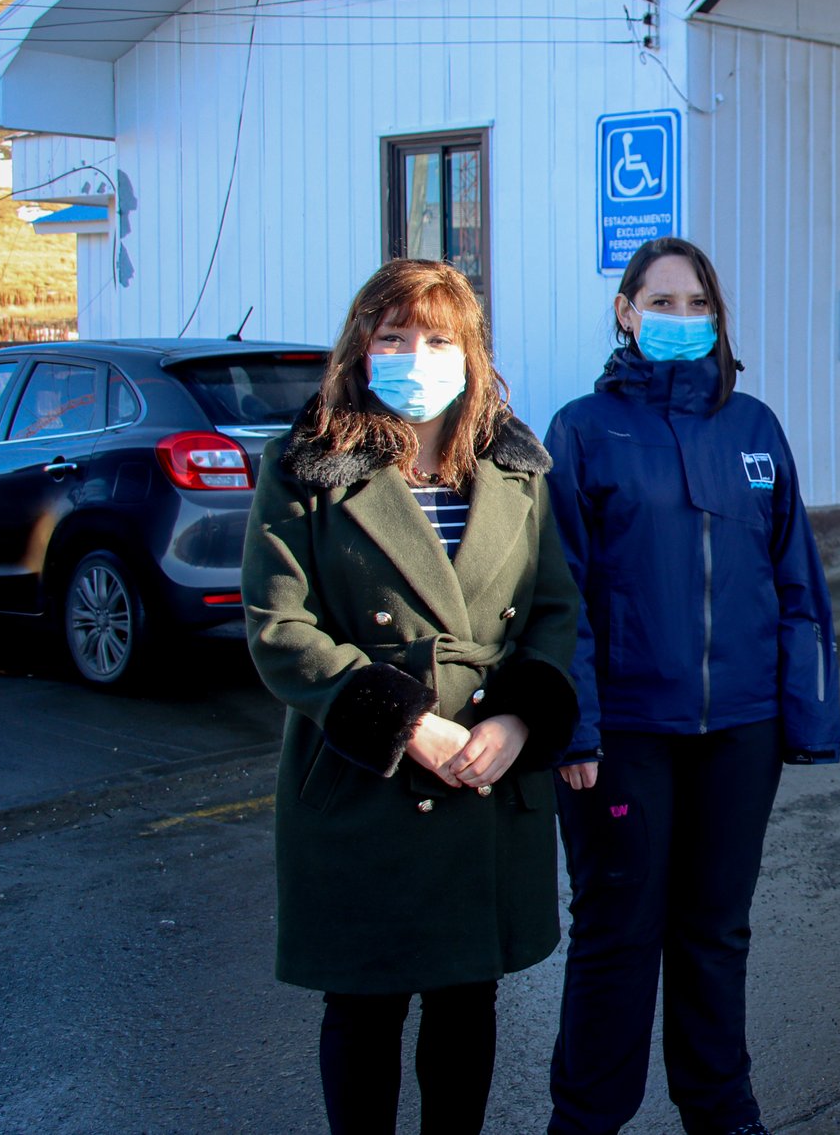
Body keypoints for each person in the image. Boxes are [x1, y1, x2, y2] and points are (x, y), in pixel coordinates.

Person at [243, 258, 581, 1135]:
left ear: (470, 353)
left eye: (436, 338)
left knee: (467, 1006)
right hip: (366, 775)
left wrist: (517, 718)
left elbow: (551, 609)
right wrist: (405, 724)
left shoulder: (515, 464)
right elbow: (282, 629)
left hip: (485, 773)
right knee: (365, 1008)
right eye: (393, 336)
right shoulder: (307, 465)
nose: (414, 355)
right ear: (361, 346)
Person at [542, 236, 840, 1135]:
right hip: (626, 731)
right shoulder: (584, 430)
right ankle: (587, 1118)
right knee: (616, 933)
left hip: (739, 729)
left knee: (716, 930)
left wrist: (806, 712)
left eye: (696, 304)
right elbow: (559, 595)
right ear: (626, 313)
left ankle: (722, 1109)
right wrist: (576, 727)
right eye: (661, 303)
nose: (681, 319)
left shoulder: (753, 427)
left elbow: (798, 581)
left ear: (717, 318)